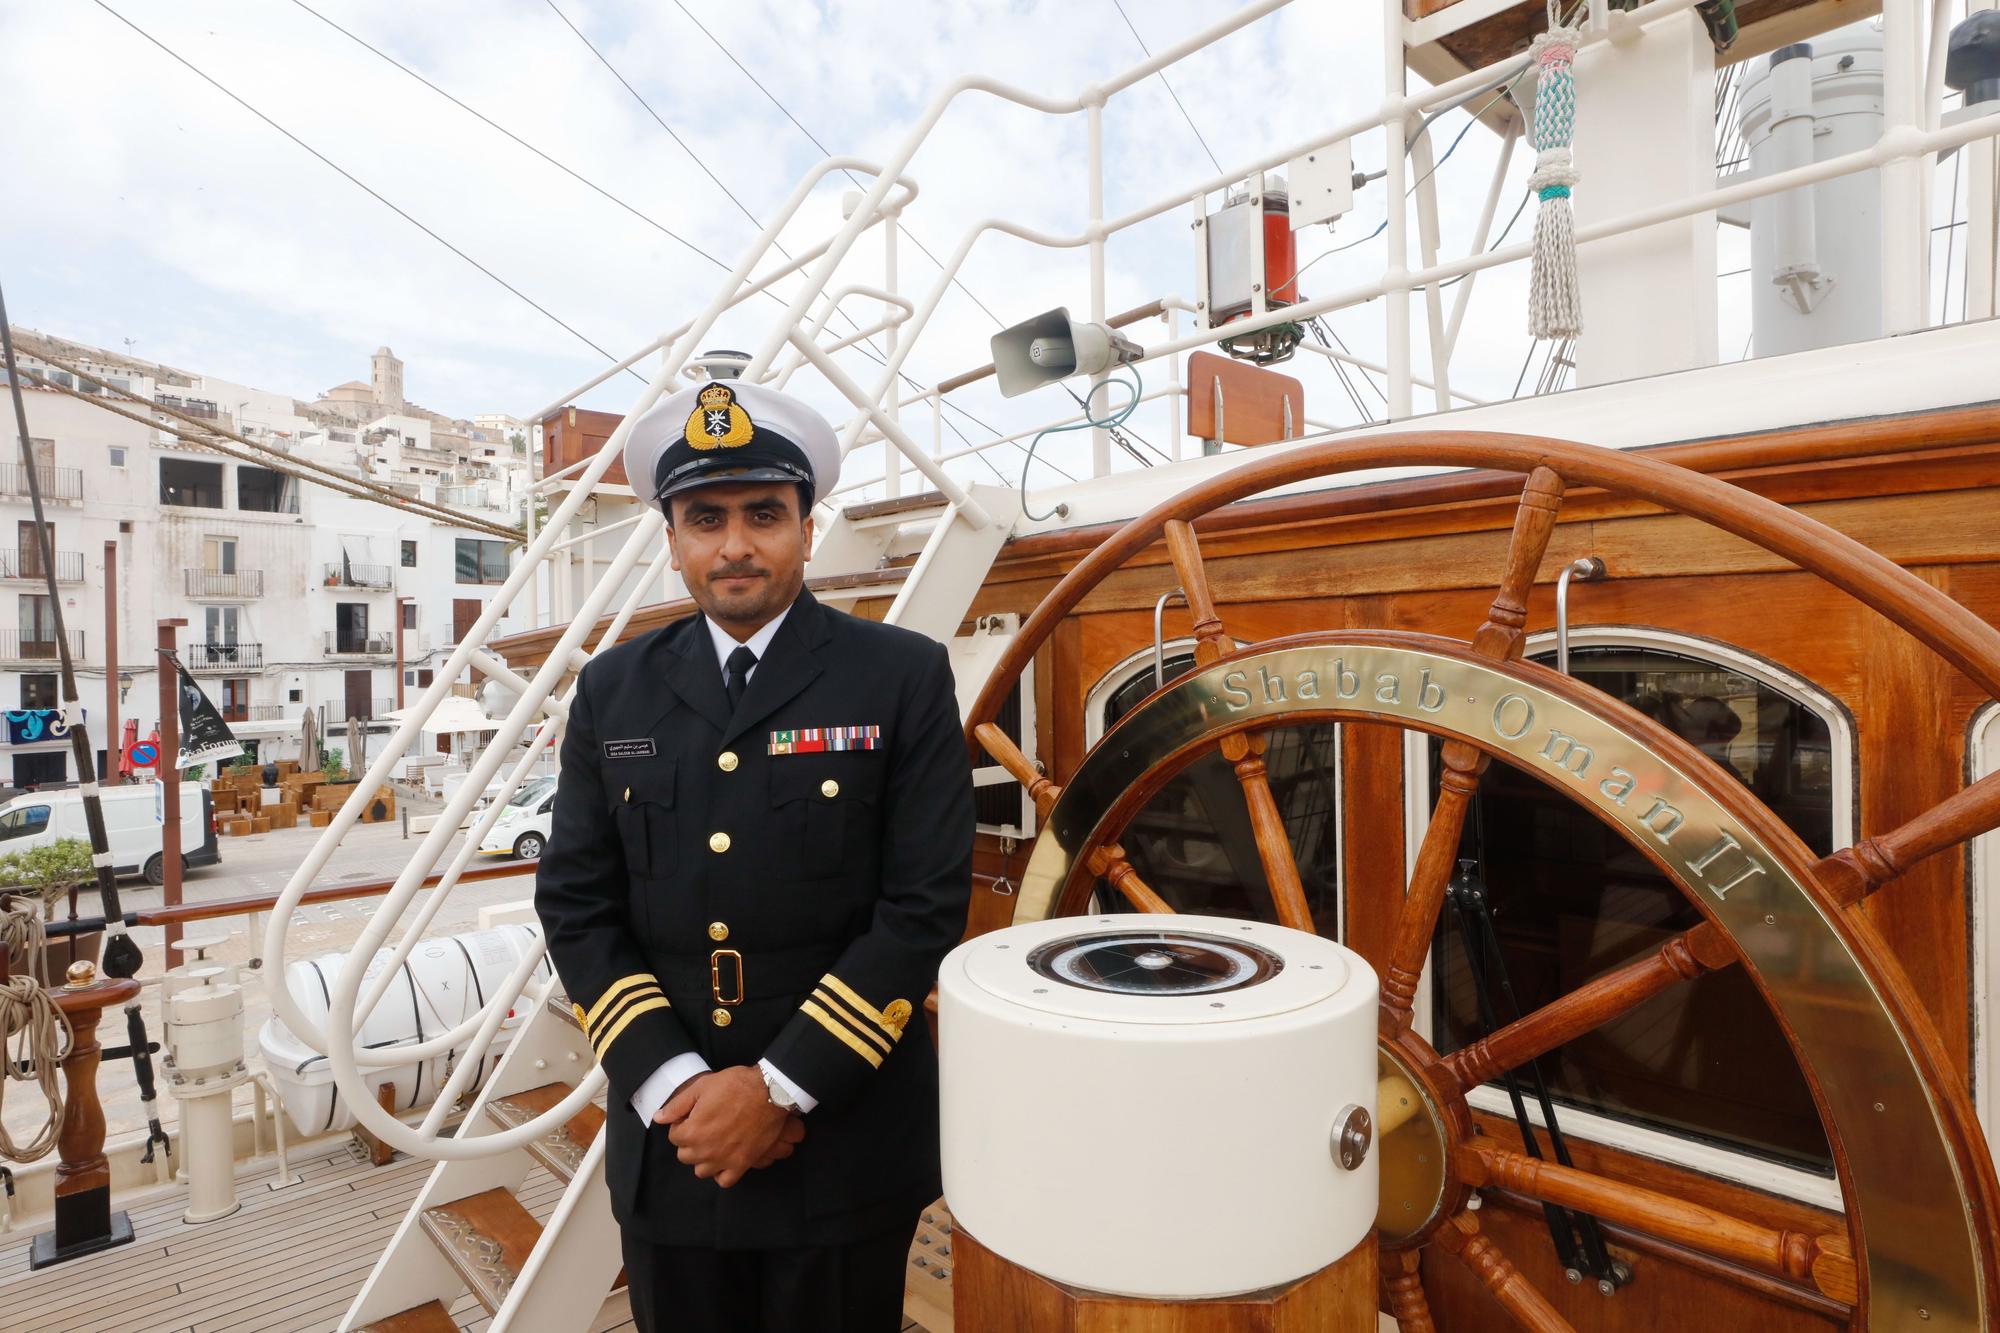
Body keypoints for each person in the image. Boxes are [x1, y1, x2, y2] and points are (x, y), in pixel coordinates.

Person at [534, 374, 974, 1332]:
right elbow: (576, 903)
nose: (734, 544)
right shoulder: (613, 692)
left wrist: (777, 1090)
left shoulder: (899, 678)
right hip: (673, 1149)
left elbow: (924, 907)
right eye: (705, 518)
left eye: (763, 513)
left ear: (807, 528)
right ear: (673, 539)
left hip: (843, 1144)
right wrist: (679, 1087)